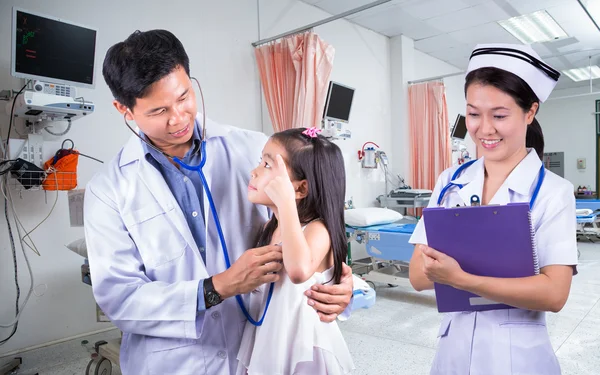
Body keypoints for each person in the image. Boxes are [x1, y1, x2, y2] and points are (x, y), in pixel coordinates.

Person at [83, 29, 353, 375]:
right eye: (159, 110)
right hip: (175, 362)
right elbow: (120, 300)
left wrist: (340, 284)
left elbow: (311, 218)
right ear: (124, 109)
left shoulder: (252, 149)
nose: (178, 118)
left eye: (184, 98)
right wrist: (217, 287)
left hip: (257, 348)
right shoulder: (109, 189)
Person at [408, 43, 577, 375]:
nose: (484, 129)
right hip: (452, 353)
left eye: (499, 115)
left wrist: (462, 278)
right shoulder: (449, 181)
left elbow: (555, 293)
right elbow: (416, 276)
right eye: (473, 114)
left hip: (517, 359)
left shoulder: (553, 192)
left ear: (530, 112)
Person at [236, 128, 355, 374]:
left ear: (300, 190)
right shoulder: (273, 226)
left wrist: (286, 204)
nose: (254, 171)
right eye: (261, 161)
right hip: (271, 334)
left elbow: (298, 270)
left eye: (268, 165)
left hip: (302, 345)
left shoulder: (318, 229)